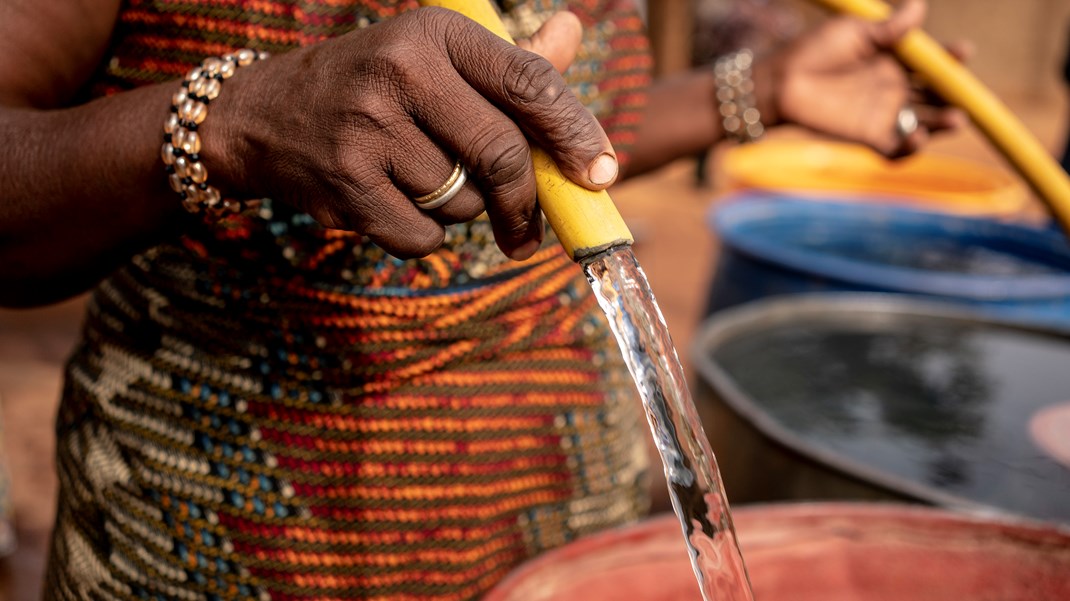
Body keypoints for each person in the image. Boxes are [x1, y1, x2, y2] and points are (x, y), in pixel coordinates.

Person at [0, 0, 963, 598]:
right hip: (219, 558)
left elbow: (570, 134)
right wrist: (234, 122)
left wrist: (759, 89)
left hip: (576, 522)